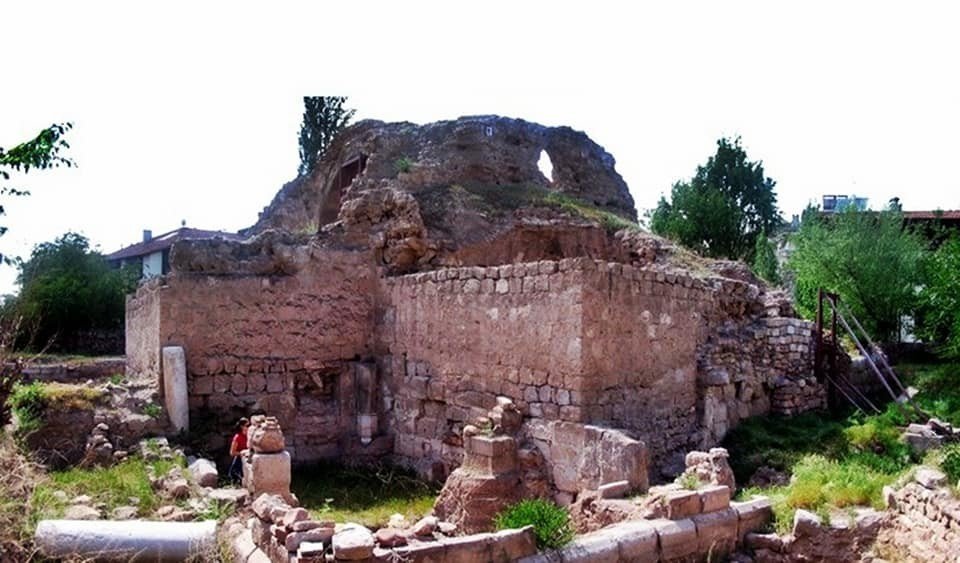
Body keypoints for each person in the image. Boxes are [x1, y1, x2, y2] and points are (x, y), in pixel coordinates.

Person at [228, 417, 250, 484]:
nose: (249, 427)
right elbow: (232, 452)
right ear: (242, 427)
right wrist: (242, 453)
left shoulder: (250, 436)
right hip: (239, 461)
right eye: (247, 425)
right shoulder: (237, 437)